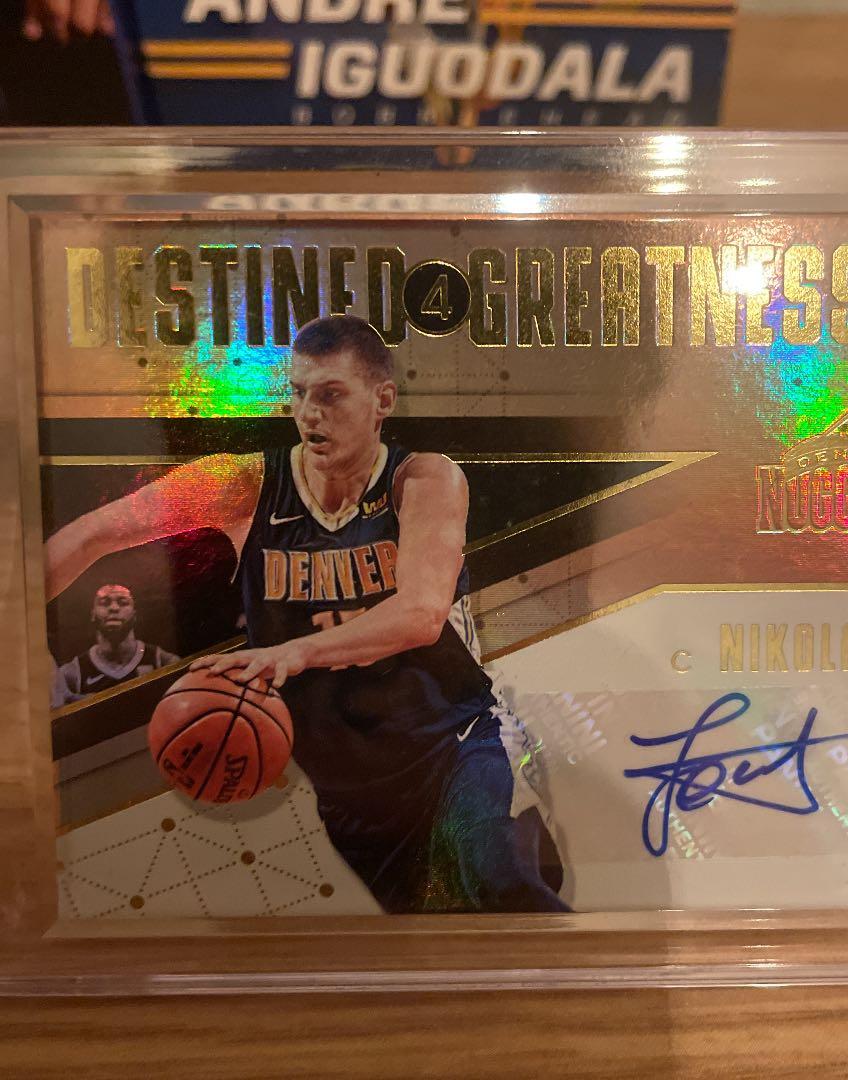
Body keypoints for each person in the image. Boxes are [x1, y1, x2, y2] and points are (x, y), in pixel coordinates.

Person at [45, 315, 569, 915]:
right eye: (298, 394)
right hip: (353, 798)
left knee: (503, 885)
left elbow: (420, 615)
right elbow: (90, 535)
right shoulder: (243, 485)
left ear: (382, 401)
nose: (309, 414)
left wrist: (292, 652)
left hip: (460, 745)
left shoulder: (424, 479)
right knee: (440, 944)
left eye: (331, 395)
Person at [57, 584, 178, 700]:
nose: (114, 608)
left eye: (123, 602)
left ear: (134, 613)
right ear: (93, 613)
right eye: (104, 603)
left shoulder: (163, 662)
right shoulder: (71, 674)